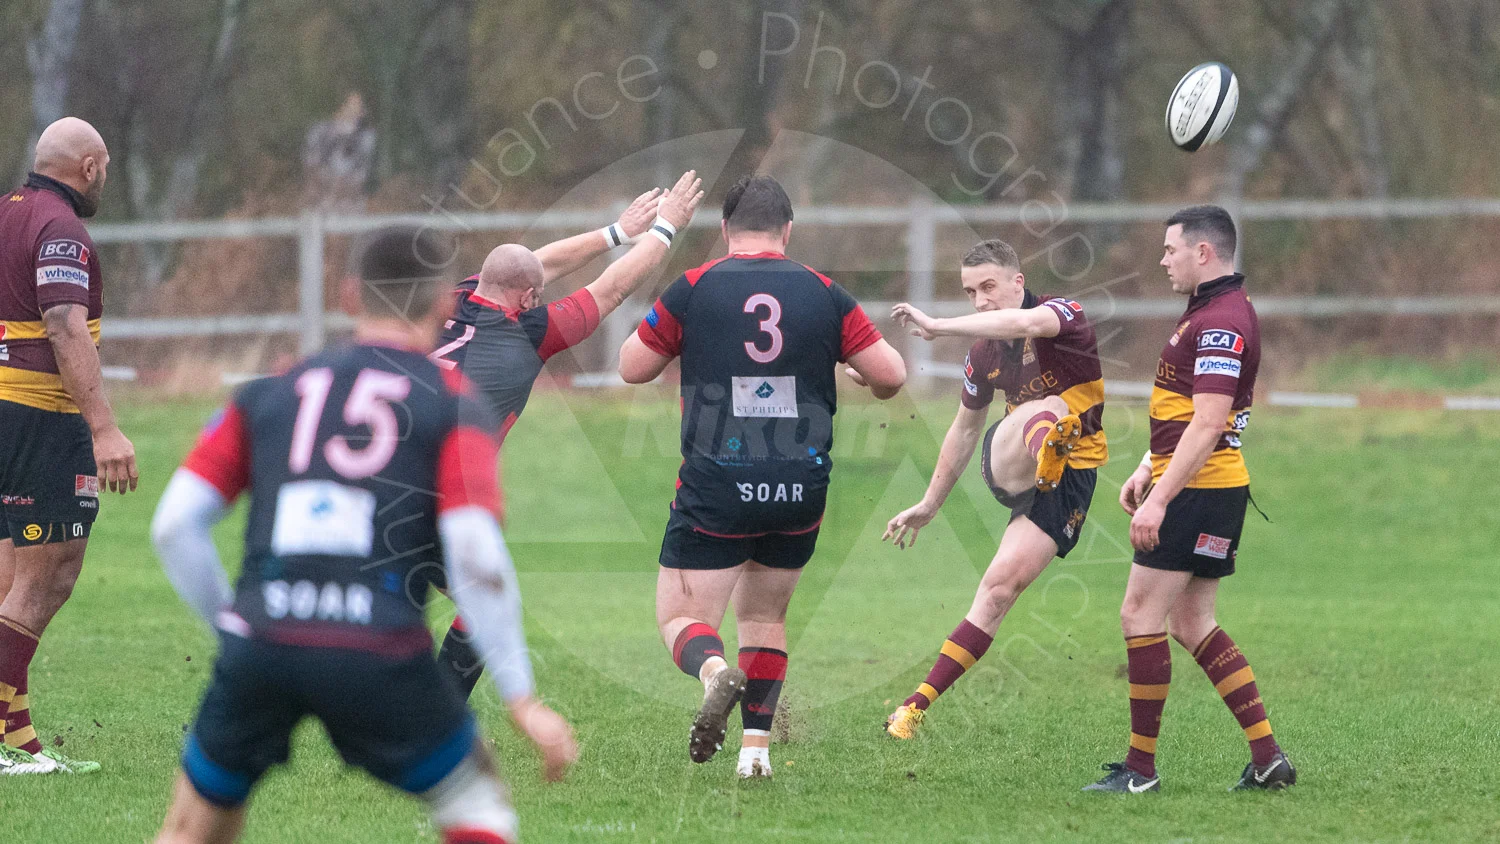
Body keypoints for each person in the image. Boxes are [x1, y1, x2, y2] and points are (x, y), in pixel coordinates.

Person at [149, 226, 575, 843]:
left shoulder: (270, 391)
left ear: (349, 297)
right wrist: (521, 699)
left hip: (263, 641)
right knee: (479, 808)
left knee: (197, 827)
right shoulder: (456, 403)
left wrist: (234, 625)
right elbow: (477, 555)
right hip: (378, 648)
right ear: (443, 303)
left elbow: (173, 527)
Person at [618, 175, 906, 778]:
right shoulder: (825, 292)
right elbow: (893, 376)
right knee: (765, 618)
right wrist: (856, 375)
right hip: (800, 484)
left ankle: (716, 674)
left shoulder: (695, 287)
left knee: (680, 617)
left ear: (724, 231)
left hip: (718, 481)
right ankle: (755, 756)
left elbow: (633, 368)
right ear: (788, 231)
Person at [429, 171, 704, 698]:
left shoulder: (456, 297)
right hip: (436, 495)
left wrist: (616, 232)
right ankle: (436, 717)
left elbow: (539, 262)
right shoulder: (528, 333)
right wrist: (666, 229)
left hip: (375, 470)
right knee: (486, 597)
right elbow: (613, 289)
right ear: (528, 299)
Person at [1084, 205, 1293, 794]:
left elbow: (1208, 423)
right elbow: (1189, 418)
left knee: (1138, 616)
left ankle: (1140, 773)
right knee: (1194, 621)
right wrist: (1147, 465)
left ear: (1204, 252)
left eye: (1171, 248)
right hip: (1212, 489)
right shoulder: (1212, 310)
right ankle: (1268, 758)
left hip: (1199, 492)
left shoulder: (1221, 320)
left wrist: (1159, 500)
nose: (1163, 259)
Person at [879, 239, 1108, 739]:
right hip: (1009, 463)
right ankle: (1049, 439)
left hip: (1072, 479)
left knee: (998, 590)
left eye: (988, 287)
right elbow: (963, 430)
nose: (980, 300)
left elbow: (1026, 324)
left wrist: (938, 326)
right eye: (969, 292)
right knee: (1046, 409)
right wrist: (929, 503)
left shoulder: (1061, 314)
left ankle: (913, 709)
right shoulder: (984, 354)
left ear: (1018, 283)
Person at [0, 117, 136, 775]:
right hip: (38, 415)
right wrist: (104, 427)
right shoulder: (60, 228)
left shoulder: (7, 213)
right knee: (49, 572)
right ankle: (3, 740)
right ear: (90, 165)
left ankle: (18, 741)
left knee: (10, 575)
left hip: (4, 412)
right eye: (104, 169)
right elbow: (62, 323)